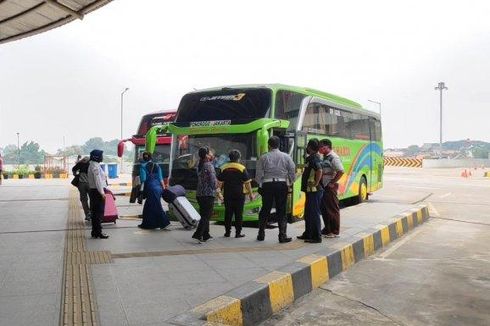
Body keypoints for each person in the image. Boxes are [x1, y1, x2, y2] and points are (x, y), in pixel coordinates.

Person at [255, 136, 296, 243]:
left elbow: (258, 174)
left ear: (269, 145)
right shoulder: (286, 156)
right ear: (279, 145)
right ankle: (282, 236)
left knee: (265, 209)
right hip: (281, 184)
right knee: (281, 210)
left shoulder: (263, 157)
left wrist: (260, 185)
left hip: (267, 185)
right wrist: (290, 182)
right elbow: (292, 170)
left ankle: (261, 234)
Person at [218, 149, 254, 238]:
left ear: (229, 158)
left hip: (227, 194)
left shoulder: (223, 167)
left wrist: (219, 194)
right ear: (238, 158)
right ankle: (238, 233)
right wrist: (251, 194)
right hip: (239, 194)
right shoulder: (241, 168)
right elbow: (247, 182)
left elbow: (220, 182)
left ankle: (227, 232)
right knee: (239, 214)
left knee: (228, 213)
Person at [297, 139, 324, 243]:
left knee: (314, 213)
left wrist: (316, 183)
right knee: (308, 213)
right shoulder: (311, 158)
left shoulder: (314, 158)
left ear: (309, 147)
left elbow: (319, 170)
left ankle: (317, 237)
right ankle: (308, 233)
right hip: (310, 190)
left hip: (314, 190)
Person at [192, 147, 220, 242]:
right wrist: (218, 189)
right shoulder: (209, 165)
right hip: (208, 194)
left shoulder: (199, 164)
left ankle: (206, 234)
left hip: (200, 194)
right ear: (207, 155)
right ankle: (198, 234)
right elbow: (213, 182)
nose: (212, 155)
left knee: (204, 214)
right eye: (211, 153)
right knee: (206, 216)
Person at [319, 139, 345, 237]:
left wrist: (332, 182)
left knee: (332, 209)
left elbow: (341, 171)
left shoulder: (334, 157)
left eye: (321, 147)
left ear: (327, 147)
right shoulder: (325, 157)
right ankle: (327, 229)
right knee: (325, 209)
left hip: (329, 186)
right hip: (324, 186)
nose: (320, 149)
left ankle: (334, 231)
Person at [138, 152, 170, 229]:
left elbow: (143, 179)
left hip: (151, 188)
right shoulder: (157, 165)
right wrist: (164, 188)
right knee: (148, 206)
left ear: (143, 158)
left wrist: (141, 190)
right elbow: (161, 178)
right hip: (158, 188)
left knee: (156, 206)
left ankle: (164, 223)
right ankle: (147, 224)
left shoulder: (142, 166)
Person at [87, 149, 109, 239]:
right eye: (101, 155)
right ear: (97, 157)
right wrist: (102, 193)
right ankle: (98, 232)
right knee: (98, 213)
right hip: (97, 192)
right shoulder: (94, 167)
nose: (102, 157)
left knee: (96, 212)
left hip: (95, 192)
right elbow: (98, 181)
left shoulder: (95, 165)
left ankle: (95, 232)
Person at [72, 156, 91, 221]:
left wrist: (76, 175)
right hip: (90, 184)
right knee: (92, 199)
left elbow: (74, 169)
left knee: (83, 200)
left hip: (81, 184)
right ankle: (91, 213)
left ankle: (87, 214)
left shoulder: (80, 163)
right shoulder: (91, 164)